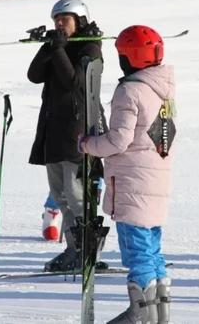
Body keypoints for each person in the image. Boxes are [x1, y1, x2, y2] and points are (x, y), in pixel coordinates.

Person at [80, 25, 175, 324]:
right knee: (152, 251)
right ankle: (159, 315)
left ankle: (140, 314)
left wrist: (88, 144)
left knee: (137, 253)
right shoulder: (164, 90)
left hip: (133, 183)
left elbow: (118, 141)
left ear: (129, 57)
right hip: (156, 179)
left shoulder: (130, 90)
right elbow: (166, 135)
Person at [27, 0, 105, 271]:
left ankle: (86, 247)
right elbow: (34, 75)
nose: (59, 24)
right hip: (53, 131)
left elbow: (75, 82)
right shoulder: (60, 44)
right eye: (56, 20)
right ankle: (74, 247)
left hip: (77, 132)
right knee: (59, 194)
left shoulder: (91, 47)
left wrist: (58, 50)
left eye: (65, 20)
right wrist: (47, 47)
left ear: (79, 20)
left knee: (76, 194)